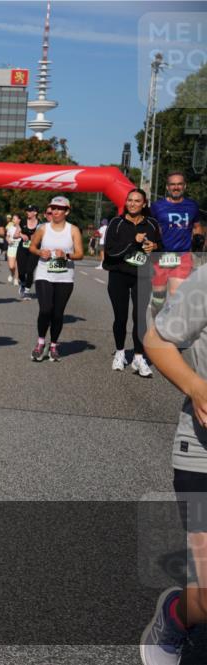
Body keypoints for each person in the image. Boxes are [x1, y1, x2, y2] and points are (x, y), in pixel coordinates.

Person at [141, 264, 207, 665]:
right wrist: (195, 386)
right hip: (202, 455)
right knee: (204, 602)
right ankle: (176, 616)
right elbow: (157, 339)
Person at [103, 188, 162, 377]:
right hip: (119, 274)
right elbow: (110, 251)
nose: (132, 204)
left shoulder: (152, 224)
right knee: (120, 317)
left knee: (140, 317)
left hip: (142, 275)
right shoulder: (116, 223)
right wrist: (132, 242)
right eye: (130, 200)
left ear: (144, 204)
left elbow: (161, 249)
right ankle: (120, 353)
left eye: (137, 201)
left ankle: (138, 356)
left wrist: (155, 246)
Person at [28, 196, 84, 362]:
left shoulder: (73, 230)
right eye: (53, 208)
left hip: (65, 277)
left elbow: (80, 254)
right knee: (45, 309)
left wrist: (66, 255)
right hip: (44, 274)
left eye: (60, 209)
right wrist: (40, 252)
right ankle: (40, 343)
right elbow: (32, 247)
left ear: (67, 211)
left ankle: (53, 345)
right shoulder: (43, 228)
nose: (56, 211)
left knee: (58, 314)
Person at [150, 172, 202, 308]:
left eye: (179, 184)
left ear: (185, 186)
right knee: (158, 299)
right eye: (172, 184)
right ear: (167, 187)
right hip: (160, 255)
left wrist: (198, 240)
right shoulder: (156, 206)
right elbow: (149, 227)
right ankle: (157, 319)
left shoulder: (192, 206)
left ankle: (172, 319)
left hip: (182, 255)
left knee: (176, 294)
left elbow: (197, 226)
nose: (176, 187)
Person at [16, 205, 42, 300]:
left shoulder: (40, 224)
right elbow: (15, 235)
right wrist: (21, 235)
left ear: (35, 212)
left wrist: (35, 238)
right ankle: (23, 283)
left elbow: (43, 237)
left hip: (34, 249)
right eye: (27, 210)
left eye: (30, 211)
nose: (27, 212)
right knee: (21, 271)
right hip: (22, 248)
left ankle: (27, 291)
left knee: (30, 270)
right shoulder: (22, 222)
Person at [6, 214, 22, 285]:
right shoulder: (10, 227)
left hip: (19, 247)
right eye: (13, 219)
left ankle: (16, 279)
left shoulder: (22, 228)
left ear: (19, 220)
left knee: (17, 264)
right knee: (11, 266)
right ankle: (12, 273)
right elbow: (7, 236)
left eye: (14, 219)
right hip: (11, 247)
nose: (13, 220)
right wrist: (8, 240)